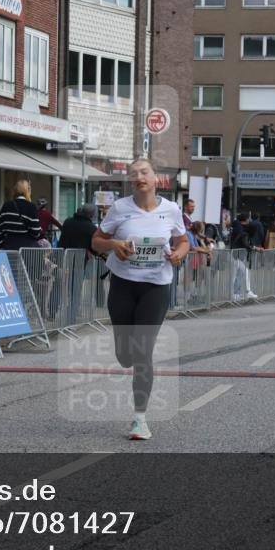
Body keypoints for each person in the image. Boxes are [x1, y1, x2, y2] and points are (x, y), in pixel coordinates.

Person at [92, 158, 189, 441]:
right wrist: (114, 245)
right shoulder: (120, 208)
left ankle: (139, 420)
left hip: (156, 286)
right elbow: (96, 241)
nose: (139, 177)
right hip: (123, 284)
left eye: (144, 172)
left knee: (143, 351)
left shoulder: (171, 209)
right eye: (134, 174)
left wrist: (179, 254)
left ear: (156, 177)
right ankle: (125, 352)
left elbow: (183, 241)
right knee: (126, 355)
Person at [0, 180, 44, 249]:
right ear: (27, 191)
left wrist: (2, 245)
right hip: (27, 250)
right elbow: (36, 232)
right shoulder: (31, 207)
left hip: (9, 248)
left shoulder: (6, 206)